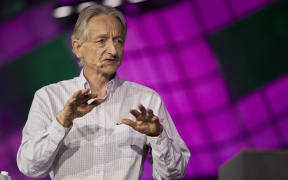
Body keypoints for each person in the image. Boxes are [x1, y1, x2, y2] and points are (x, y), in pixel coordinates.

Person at [17, 4, 190, 180]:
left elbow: (174, 175)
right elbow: (30, 168)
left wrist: (157, 136)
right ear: (78, 48)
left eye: (118, 41)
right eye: (101, 41)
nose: (113, 50)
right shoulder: (48, 97)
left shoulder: (146, 99)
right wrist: (62, 122)